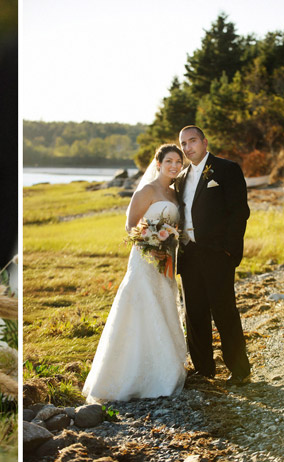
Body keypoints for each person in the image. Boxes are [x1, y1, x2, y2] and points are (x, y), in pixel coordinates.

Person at [83, 144, 187, 403]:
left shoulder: (175, 194)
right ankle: (129, 375)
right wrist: (151, 244)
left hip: (167, 261)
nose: (174, 165)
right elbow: (130, 225)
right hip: (144, 260)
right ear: (159, 163)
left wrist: (166, 245)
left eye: (178, 161)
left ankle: (166, 369)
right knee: (141, 306)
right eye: (169, 161)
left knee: (163, 304)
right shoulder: (147, 190)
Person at [174, 125, 251, 386]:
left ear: (205, 142)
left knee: (224, 311)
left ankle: (239, 370)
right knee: (194, 314)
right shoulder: (181, 177)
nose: (187, 147)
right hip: (189, 255)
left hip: (218, 254)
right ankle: (204, 369)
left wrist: (230, 251)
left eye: (192, 141)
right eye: (183, 143)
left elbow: (240, 212)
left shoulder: (227, 169)